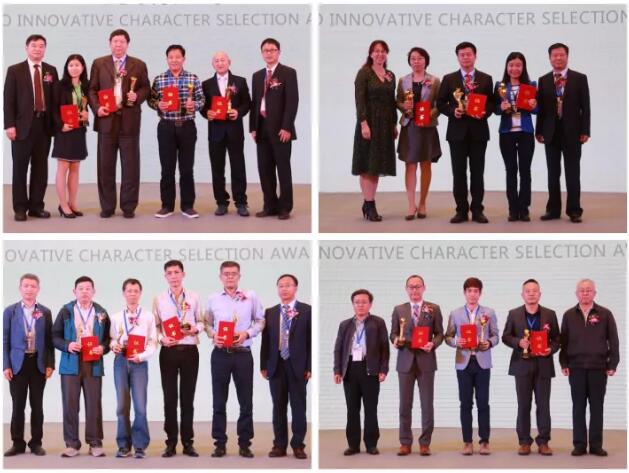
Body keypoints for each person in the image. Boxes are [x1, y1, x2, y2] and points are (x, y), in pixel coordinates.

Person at [205, 261, 265, 458]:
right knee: (219, 401)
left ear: (239, 276)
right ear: (220, 277)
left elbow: (260, 320)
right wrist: (213, 335)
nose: (230, 277)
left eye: (233, 273)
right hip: (220, 354)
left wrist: (247, 333)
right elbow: (207, 323)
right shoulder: (213, 299)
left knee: (246, 401)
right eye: (226, 274)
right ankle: (219, 443)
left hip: (243, 355)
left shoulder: (250, 297)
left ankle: (244, 443)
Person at [88, 29, 150, 219]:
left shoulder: (138, 64)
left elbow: (146, 88)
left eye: (122, 41)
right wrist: (97, 108)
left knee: (130, 166)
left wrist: (137, 96)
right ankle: (107, 206)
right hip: (106, 120)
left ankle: (128, 206)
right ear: (110, 43)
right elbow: (91, 90)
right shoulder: (99, 63)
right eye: (115, 41)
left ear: (127, 44)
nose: (118, 45)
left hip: (129, 120)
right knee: (105, 166)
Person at [52, 276, 110, 458]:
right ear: (74, 291)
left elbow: (108, 339)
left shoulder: (101, 312)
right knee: (70, 405)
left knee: (94, 404)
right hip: (71, 363)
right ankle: (72, 444)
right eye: (81, 288)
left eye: (88, 288)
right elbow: (54, 336)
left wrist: (103, 348)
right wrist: (67, 345)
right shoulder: (66, 311)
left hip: (93, 363)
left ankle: (95, 443)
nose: (84, 291)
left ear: (94, 291)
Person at [559, 279, 619, 456]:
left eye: (588, 290)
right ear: (576, 293)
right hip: (576, 367)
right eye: (582, 290)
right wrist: (564, 363)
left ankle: (596, 445)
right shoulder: (569, 315)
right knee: (578, 407)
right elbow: (563, 342)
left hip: (598, 368)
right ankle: (579, 444)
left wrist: (613, 363)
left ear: (594, 293)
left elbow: (613, 340)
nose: (585, 293)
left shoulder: (605, 314)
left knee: (597, 407)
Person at [437, 41, 494, 224]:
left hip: (479, 132)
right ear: (457, 57)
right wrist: (452, 111)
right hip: (457, 133)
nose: (466, 57)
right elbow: (440, 103)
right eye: (462, 55)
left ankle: (477, 210)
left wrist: (485, 112)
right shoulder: (449, 78)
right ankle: (461, 210)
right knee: (459, 173)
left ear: (475, 56)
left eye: (469, 54)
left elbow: (492, 103)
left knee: (478, 173)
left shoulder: (486, 78)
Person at [502, 279, 560, 455]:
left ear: (540, 294)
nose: (531, 294)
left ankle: (543, 441)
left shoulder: (550, 314)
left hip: (543, 364)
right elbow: (506, 336)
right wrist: (518, 342)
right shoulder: (514, 314)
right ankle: (524, 441)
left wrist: (551, 349)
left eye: (535, 291)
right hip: (522, 365)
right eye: (528, 291)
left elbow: (557, 339)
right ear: (523, 295)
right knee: (523, 405)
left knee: (543, 405)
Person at [4, 34, 58, 222]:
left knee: (40, 168)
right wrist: (9, 125)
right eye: (34, 45)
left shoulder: (50, 70)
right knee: (20, 168)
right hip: (22, 127)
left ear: (45, 49)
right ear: (26, 48)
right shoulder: (15, 70)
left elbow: (55, 100)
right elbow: (8, 100)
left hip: (44, 126)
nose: (37, 49)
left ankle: (36, 207)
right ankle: (20, 208)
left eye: (41, 46)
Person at [152, 260, 204, 457]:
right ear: (165, 276)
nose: (173, 276)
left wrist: (195, 329)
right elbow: (155, 326)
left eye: (176, 272)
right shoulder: (159, 299)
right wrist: (161, 338)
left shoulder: (194, 297)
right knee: (170, 398)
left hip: (190, 350)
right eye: (169, 273)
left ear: (183, 274)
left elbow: (202, 320)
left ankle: (188, 442)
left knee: (188, 398)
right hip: (169, 351)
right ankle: (171, 442)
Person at [536, 43, 590, 223]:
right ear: (549, 58)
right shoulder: (543, 80)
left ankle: (574, 210)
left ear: (567, 56)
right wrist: (539, 130)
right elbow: (541, 109)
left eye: (561, 55)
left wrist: (585, 130)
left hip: (573, 132)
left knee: (572, 172)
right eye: (555, 55)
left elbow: (585, 107)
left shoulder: (579, 78)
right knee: (553, 173)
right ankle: (553, 210)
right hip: (550, 133)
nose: (558, 58)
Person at [389, 275, 444, 456]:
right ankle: (405, 442)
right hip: (405, 361)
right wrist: (395, 340)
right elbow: (393, 333)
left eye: (417, 286)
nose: (414, 290)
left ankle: (425, 443)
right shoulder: (399, 309)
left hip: (426, 361)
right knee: (405, 404)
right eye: (411, 287)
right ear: (406, 289)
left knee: (427, 404)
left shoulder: (434, 308)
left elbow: (440, 333)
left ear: (423, 288)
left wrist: (433, 344)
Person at [148, 44, 203, 219]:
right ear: (167, 59)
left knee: (187, 168)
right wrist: (158, 104)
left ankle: (187, 206)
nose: (174, 60)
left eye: (178, 57)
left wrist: (195, 104)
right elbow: (151, 99)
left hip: (187, 126)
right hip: (166, 127)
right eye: (171, 57)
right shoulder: (159, 79)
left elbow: (202, 99)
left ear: (183, 59)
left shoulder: (193, 78)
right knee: (167, 168)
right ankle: (167, 206)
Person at [445, 277, 499, 455]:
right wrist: (456, 341)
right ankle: (467, 442)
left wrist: (489, 343)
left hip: (482, 362)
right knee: (465, 403)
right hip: (464, 363)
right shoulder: (455, 313)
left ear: (480, 293)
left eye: (476, 291)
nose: (473, 294)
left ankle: (484, 442)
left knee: (483, 403)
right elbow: (448, 336)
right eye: (469, 291)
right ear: (464, 293)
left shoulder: (489, 312)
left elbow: (496, 335)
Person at [260, 274, 311, 459]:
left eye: (288, 285)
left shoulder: (307, 310)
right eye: (281, 285)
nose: (284, 289)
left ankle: (298, 445)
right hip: (276, 365)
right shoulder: (270, 312)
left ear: (295, 288)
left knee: (298, 407)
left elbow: (311, 340)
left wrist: (310, 366)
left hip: (298, 366)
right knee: (278, 407)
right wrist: (264, 364)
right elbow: (266, 341)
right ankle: (279, 445)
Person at [3, 274, 54, 457]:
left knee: (37, 405)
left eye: (33, 286)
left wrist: (50, 364)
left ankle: (36, 443)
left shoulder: (45, 312)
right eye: (26, 286)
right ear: (20, 288)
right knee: (18, 405)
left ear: (38, 289)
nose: (29, 289)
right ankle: (17, 443)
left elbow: (49, 341)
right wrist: (6, 365)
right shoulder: (10, 311)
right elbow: (5, 340)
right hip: (17, 364)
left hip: (38, 363)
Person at [333, 289, 389, 455]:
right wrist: (337, 370)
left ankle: (371, 444)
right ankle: (353, 445)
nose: (360, 305)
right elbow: (338, 349)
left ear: (370, 304)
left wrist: (383, 369)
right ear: (353, 304)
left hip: (370, 369)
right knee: (352, 409)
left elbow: (384, 348)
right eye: (357, 302)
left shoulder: (378, 322)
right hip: (350, 369)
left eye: (364, 302)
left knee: (370, 408)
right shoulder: (345, 325)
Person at [249, 38, 299, 220]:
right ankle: (269, 205)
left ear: (279, 52)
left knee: (283, 168)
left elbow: (292, 101)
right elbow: (255, 103)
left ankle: (285, 207)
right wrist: (253, 127)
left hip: (280, 129)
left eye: (272, 50)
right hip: (261, 128)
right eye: (265, 50)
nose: (269, 53)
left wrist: (287, 127)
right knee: (264, 169)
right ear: (262, 53)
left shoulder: (288, 73)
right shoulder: (257, 76)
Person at [109, 278, 157, 459]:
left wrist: (142, 356)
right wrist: (114, 345)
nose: (132, 294)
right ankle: (123, 445)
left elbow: (153, 342)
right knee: (122, 405)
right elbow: (112, 339)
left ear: (140, 293)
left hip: (139, 363)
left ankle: (140, 445)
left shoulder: (148, 316)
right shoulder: (115, 317)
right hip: (121, 361)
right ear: (124, 293)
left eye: (136, 291)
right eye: (129, 291)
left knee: (140, 406)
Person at [352, 39, 398, 222]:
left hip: (385, 125)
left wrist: (394, 124)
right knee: (367, 165)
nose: (380, 54)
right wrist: (363, 124)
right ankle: (369, 204)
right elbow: (359, 100)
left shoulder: (390, 75)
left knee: (376, 165)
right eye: (376, 51)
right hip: (369, 124)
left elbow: (392, 102)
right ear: (370, 54)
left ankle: (368, 203)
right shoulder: (364, 73)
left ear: (387, 54)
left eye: (383, 51)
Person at [201, 51, 251, 217]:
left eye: (223, 60)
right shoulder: (206, 84)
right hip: (215, 131)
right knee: (217, 169)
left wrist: (238, 112)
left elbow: (247, 103)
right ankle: (221, 202)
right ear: (213, 64)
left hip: (235, 130)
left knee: (238, 168)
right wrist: (207, 113)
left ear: (229, 62)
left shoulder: (240, 81)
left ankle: (241, 202)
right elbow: (203, 106)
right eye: (216, 61)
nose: (220, 63)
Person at [396, 47, 441, 220]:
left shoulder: (434, 80)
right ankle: (410, 204)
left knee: (426, 164)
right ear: (409, 61)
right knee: (410, 165)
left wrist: (429, 115)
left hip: (427, 127)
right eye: (413, 58)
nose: (416, 61)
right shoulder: (403, 80)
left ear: (426, 61)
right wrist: (403, 106)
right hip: (409, 126)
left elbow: (439, 104)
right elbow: (398, 100)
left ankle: (422, 203)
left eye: (420, 58)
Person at [494, 52, 538, 222]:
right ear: (507, 67)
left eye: (518, 65)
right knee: (511, 170)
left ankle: (524, 209)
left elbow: (537, 110)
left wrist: (534, 105)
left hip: (526, 133)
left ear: (523, 67)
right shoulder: (500, 86)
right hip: (506, 133)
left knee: (525, 171)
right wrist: (501, 107)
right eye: (511, 65)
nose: (514, 68)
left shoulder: (531, 85)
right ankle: (513, 209)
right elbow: (495, 110)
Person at [51, 54, 90, 218]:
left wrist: (87, 115)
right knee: (63, 167)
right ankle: (63, 204)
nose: (74, 68)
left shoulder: (85, 86)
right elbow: (53, 109)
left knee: (75, 168)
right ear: (67, 68)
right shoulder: (59, 86)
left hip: (79, 130)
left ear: (83, 67)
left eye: (77, 65)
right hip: (64, 131)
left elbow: (86, 106)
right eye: (71, 65)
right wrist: (61, 125)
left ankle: (73, 203)